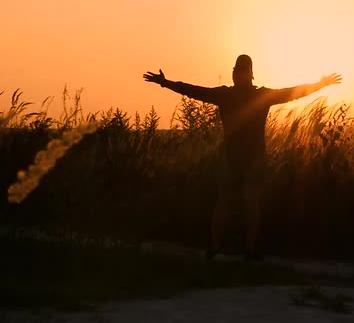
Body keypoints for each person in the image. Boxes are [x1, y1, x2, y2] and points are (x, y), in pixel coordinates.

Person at [143, 54, 342, 261]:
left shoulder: (230, 95)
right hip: (245, 157)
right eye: (237, 70)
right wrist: (166, 83)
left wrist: (165, 83)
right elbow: (292, 93)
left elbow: (292, 93)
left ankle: (225, 247)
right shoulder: (255, 95)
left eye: (240, 70)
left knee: (237, 203)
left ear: (246, 74)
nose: (237, 74)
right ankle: (238, 248)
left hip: (241, 157)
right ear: (246, 73)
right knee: (239, 203)